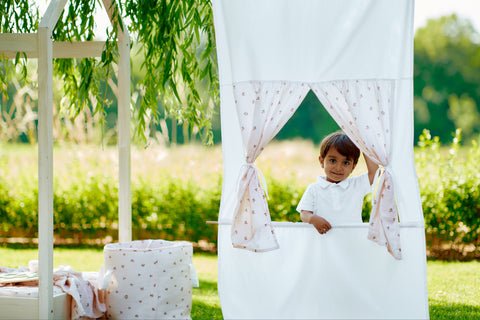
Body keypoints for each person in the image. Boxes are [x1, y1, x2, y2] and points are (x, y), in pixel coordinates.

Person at [297, 131, 378, 234]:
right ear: (322, 161)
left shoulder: (356, 185)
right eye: (332, 161)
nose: (338, 168)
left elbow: (375, 172)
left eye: (346, 163)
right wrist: (312, 218)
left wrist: (363, 145)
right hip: (324, 243)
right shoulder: (314, 189)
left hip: (353, 241)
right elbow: (304, 213)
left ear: (353, 166)